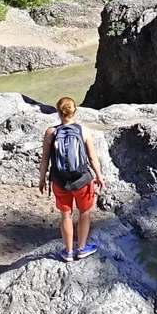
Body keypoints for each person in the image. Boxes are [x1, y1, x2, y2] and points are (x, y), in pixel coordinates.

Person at [39, 96, 105, 263]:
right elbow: (92, 157)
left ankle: (68, 252)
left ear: (58, 112)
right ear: (75, 111)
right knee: (85, 212)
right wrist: (99, 176)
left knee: (66, 215)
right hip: (82, 180)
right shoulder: (83, 131)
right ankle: (82, 248)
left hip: (59, 181)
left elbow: (45, 159)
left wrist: (42, 179)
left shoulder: (51, 132)